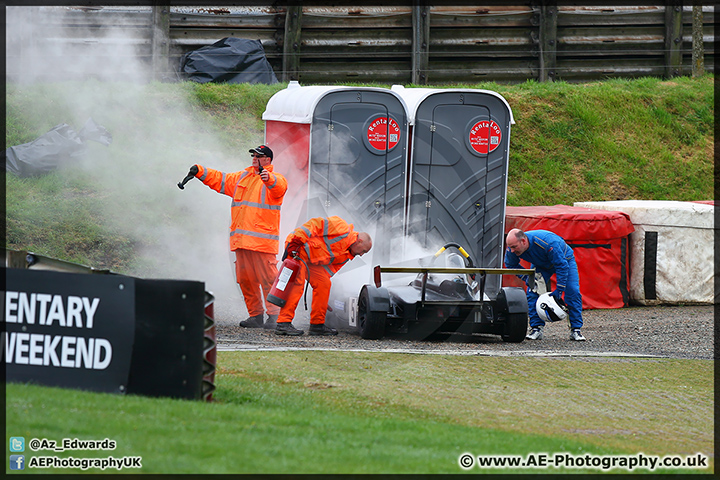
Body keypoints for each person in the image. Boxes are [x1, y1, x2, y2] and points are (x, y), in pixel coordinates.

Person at [187, 144, 287, 329]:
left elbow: (278, 187)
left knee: (268, 280)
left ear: (268, 160)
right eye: (253, 155)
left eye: (259, 156)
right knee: (245, 280)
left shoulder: (275, 179)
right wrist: (201, 171)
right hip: (241, 242)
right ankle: (255, 316)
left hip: (262, 243)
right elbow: (221, 180)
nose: (254, 158)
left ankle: (275, 316)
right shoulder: (243, 177)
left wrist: (268, 178)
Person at [274, 216, 372, 336]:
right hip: (297, 247)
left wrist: (322, 300)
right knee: (297, 284)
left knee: (324, 284)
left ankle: (317, 325)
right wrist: (296, 242)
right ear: (360, 241)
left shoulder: (347, 255)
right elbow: (314, 224)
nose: (361, 255)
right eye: (364, 251)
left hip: (310, 260)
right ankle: (283, 323)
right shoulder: (341, 227)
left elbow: (326, 274)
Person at [504, 228, 585, 341]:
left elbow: (562, 266)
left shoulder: (548, 243)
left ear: (523, 241)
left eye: (514, 247)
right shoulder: (512, 248)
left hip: (564, 260)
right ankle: (536, 329)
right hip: (541, 265)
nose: (511, 251)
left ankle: (576, 330)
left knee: (572, 291)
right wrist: (527, 278)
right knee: (533, 291)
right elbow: (510, 263)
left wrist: (559, 289)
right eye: (510, 247)